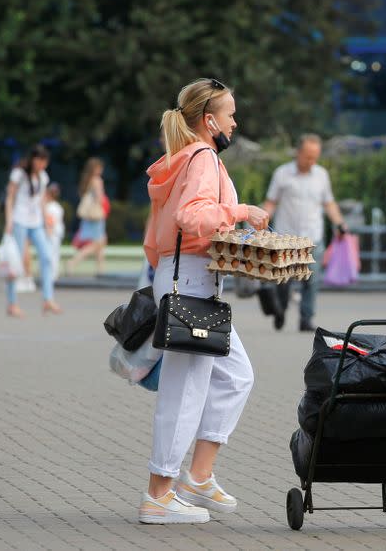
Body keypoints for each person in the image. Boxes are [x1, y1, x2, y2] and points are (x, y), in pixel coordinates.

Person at [139, 77, 270, 524]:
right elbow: (190, 216)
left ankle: (197, 476)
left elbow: (159, 232)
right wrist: (241, 212)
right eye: (231, 114)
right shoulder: (202, 157)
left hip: (184, 278)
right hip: (191, 281)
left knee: (235, 376)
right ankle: (159, 496)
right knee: (185, 390)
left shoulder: (181, 158)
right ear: (210, 121)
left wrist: (162, 272)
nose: (236, 121)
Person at [262, 134, 349, 332]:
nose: (311, 161)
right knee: (282, 280)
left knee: (311, 281)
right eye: (308, 156)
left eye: (315, 157)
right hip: (285, 238)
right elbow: (271, 202)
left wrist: (340, 223)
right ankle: (281, 309)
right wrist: (260, 223)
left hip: (312, 237)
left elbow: (329, 203)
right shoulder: (282, 174)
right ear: (298, 153)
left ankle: (306, 319)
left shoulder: (321, 175)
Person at [3, 145, 61, 317]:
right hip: (19, 221)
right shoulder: (18, 174)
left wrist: (46, 223)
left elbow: (41, 201)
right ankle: (12, 303)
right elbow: (10, 197)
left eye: (45, 161)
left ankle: (48, 299)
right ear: (33, 159)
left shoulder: (43, 177)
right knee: (16, 262)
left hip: (35, 222)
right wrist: (9, 221)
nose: (42, 165)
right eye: (40, 160)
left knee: (46, 256)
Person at [67, 158, 108, 276]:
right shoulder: (97, 180)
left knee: (99, 244)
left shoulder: (87, 180)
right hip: (96, 216)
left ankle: (100, 270)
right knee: (96, 244)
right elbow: (99, 198)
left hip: (88, 217)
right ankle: (72, 262)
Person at [43, 183, 65, 280]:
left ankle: (51, 274)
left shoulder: (49, 207)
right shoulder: (58, 207)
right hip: (57, 233)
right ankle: (54, 273)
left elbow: (50, 222)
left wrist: (48, 232)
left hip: (51, 234)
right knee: (55, 254)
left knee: (50, 254)